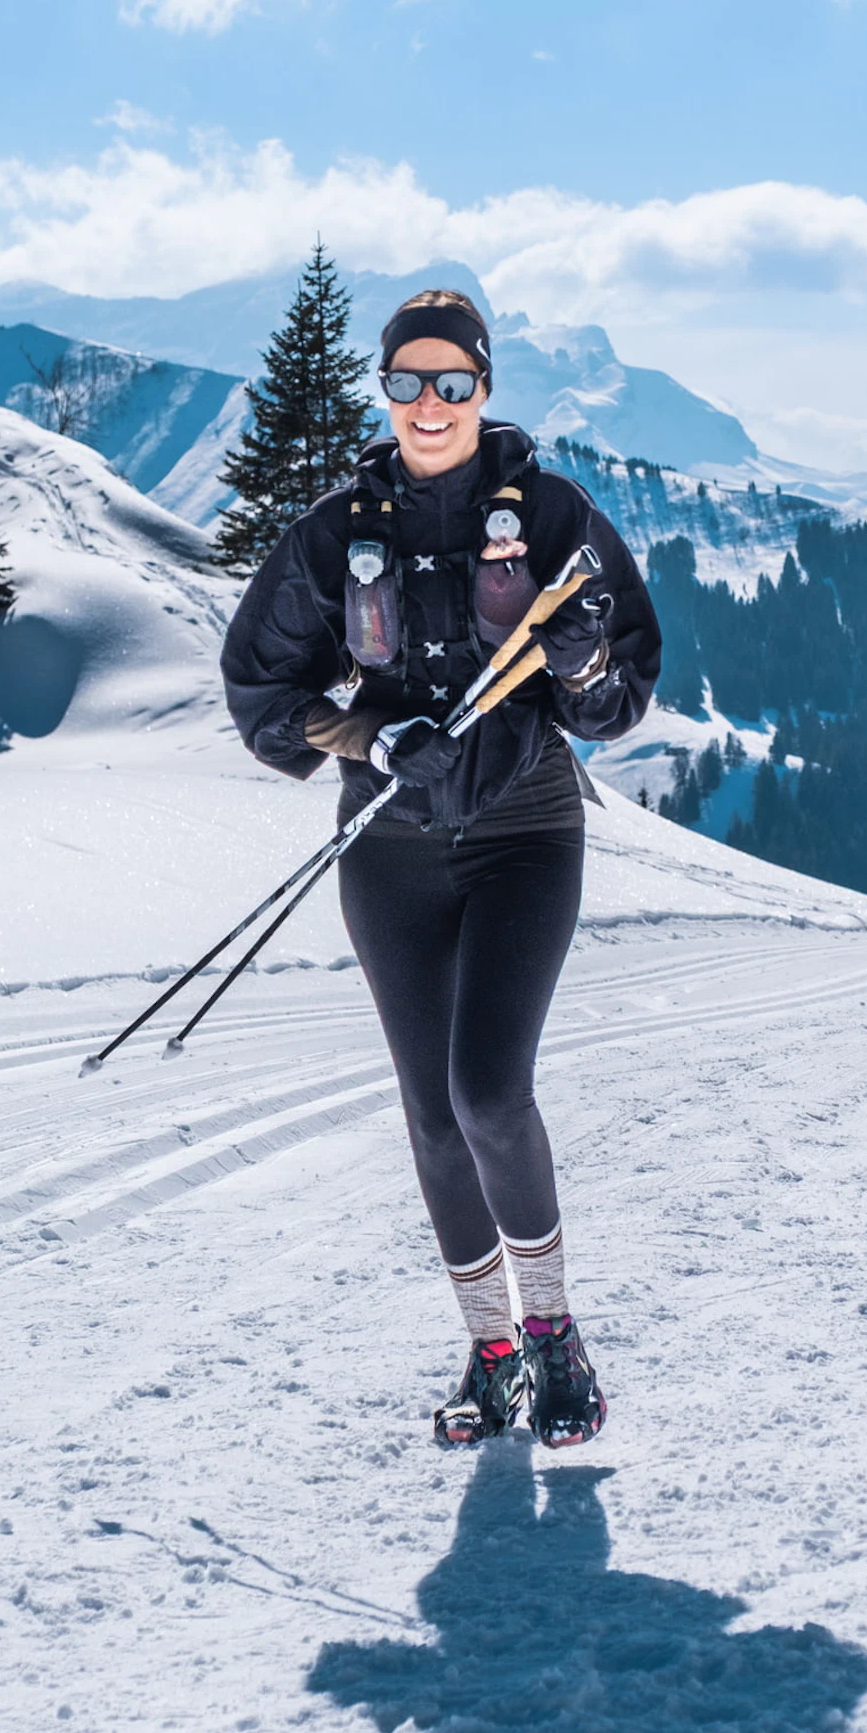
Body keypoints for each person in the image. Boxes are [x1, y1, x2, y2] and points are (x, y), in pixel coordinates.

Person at [221, 289, 660, 1449]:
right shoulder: (331, 532)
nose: (430, 403)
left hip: (523, 829)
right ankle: (493, 1350)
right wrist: (366, 738)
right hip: (390, 847)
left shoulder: (557, 516)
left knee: (488, 1094)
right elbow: (261, 697)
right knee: (428, 1119)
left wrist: (575, 667)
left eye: (452, 382)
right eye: (408, 381)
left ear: (483, 389)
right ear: (385, 389)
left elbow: (620, 697)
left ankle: (557, 1337)